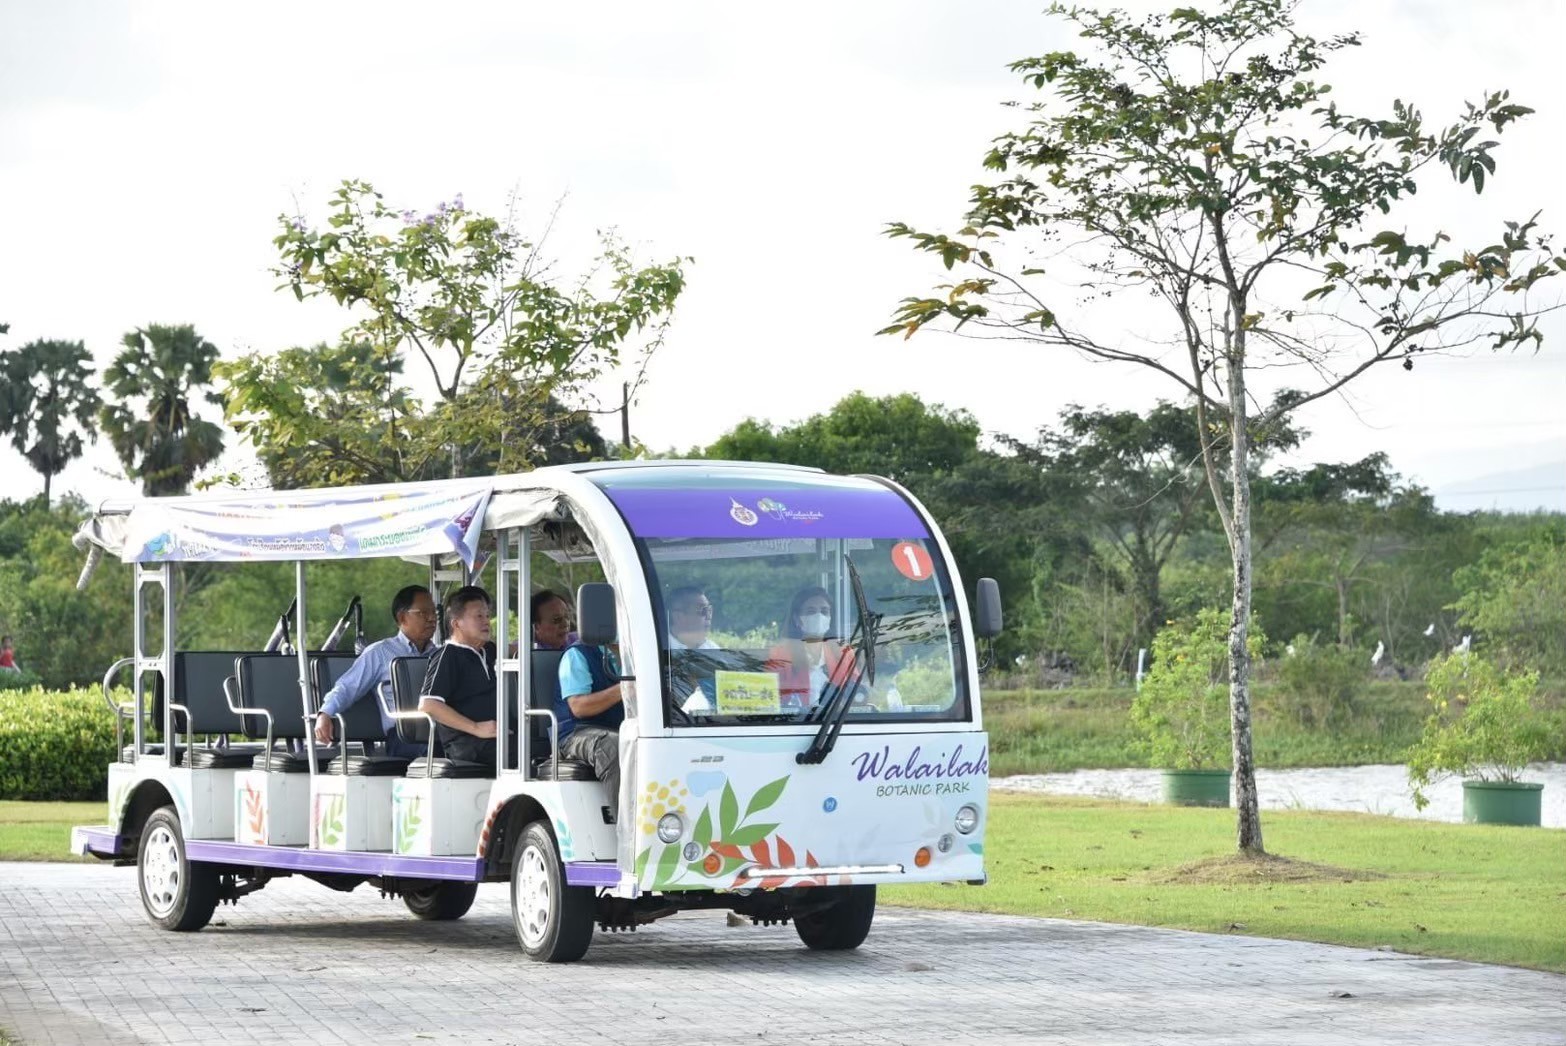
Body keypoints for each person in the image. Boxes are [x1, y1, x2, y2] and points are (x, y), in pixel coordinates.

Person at [313, 586, 439, 758]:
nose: (432, 618)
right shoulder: (380, 653)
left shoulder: (440, 654)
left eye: (434, 612)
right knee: (440, 750)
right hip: (404, 736)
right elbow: (348, 686)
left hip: (440, 730)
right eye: (424, 613)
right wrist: (325, 713)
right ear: (402, 617)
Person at [418, 586, 502, 767]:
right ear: (456, 623)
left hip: (499, 737)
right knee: (530, 753)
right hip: (467, 744)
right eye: (479, 616)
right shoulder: (447, 655)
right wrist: (476, 728)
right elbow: (429, 704)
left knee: (545, 745)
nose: (486, 621)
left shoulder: (489, 650)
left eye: (487, 616)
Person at [556, 637, 626, 821]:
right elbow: (579, 707)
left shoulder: (636, 652)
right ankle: (629, 828)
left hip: (620, 728)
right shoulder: (577, 654)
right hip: (576, 733)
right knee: (612, 746)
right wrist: (624, 688)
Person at [768, 587, 857, 710]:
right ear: (797, 619)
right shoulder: (780, 654)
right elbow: (772, 698)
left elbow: (857, 694)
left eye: (824, 611)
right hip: (797, 720)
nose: (819, 616)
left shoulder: (843, 651)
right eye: (811, 611)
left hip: (835, 719)